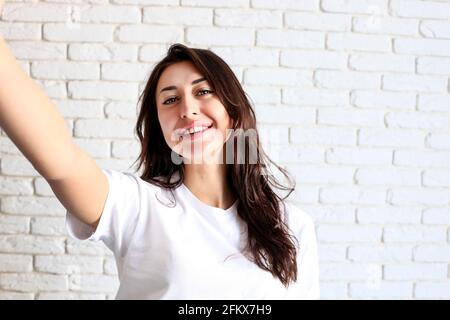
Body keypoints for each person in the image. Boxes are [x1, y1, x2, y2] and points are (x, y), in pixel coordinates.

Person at [0, 8, 320, 299]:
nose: (188, 109)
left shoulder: (292, 225)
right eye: (170, 100)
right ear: (161, 130)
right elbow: (62, 163)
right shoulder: (138, 205)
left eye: (203, 91)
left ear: (233, 112)